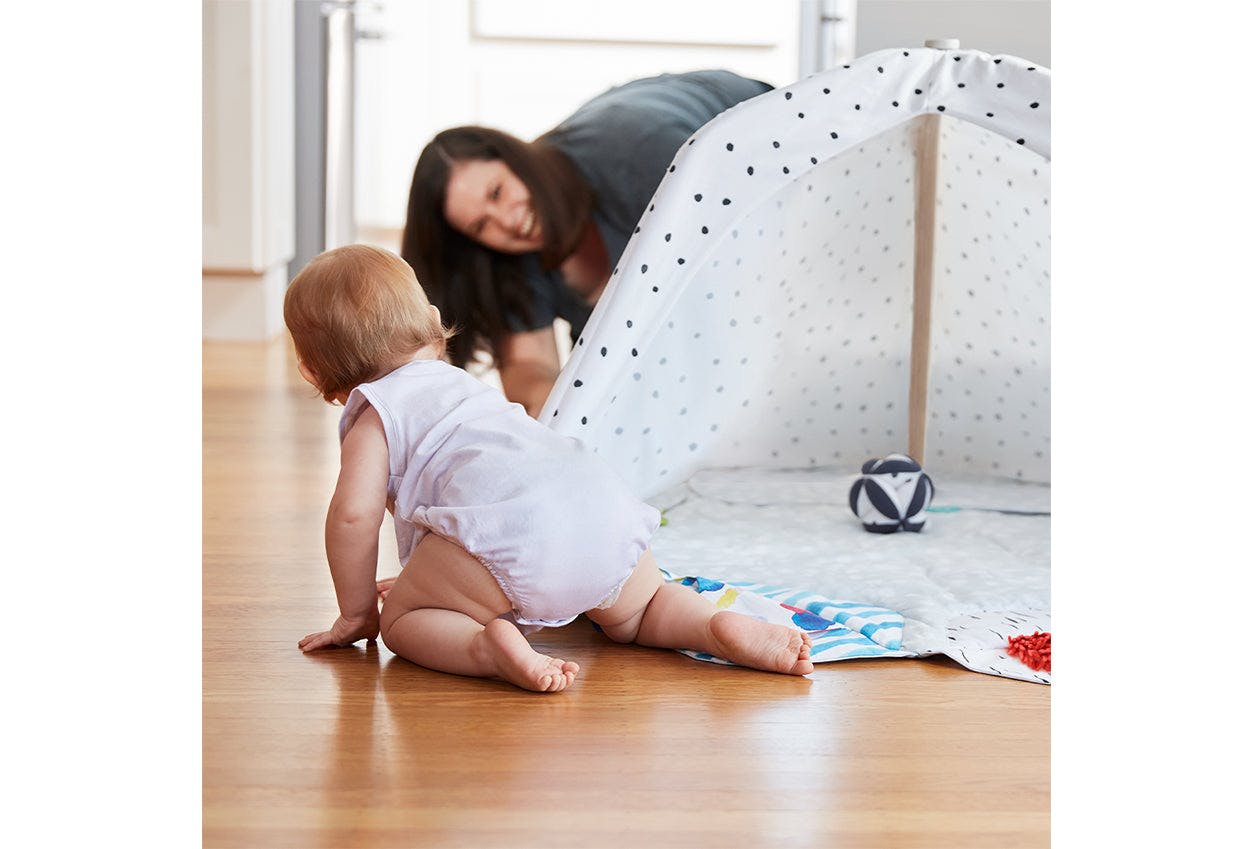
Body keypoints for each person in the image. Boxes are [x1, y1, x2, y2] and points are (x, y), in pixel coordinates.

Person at [285, 244, 813, 692]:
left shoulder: (375, 415)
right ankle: (713, 626)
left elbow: (354, 517)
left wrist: (359, 613)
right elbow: (482, 481)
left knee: (406, 620)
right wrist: (426, 573)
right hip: (600, 511)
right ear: (429, 317)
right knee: (642, 610)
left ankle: (486, 649)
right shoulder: (466, 388)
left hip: (515, 538)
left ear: (313, 369)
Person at [401, 70, 773, 417]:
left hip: (777, 152)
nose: (509, 221)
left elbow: (743, 276)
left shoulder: (639, 152)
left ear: (515, 158)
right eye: (482, 225)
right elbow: (530, 374)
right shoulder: (508, 264)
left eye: (498, 192)